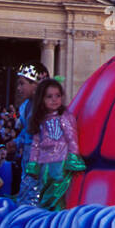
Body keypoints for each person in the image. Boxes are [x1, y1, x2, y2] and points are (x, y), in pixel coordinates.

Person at [21, 78, 83, 211]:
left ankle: (56, 219)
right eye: (49, 97)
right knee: (44, 193)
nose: (54, 100)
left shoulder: (64, 117)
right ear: (41, 99)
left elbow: (71, 137)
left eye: (58, 96)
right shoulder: (40, 120)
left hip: (60, 163)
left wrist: (73, 156)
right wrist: (33, 163)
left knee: (56, 195)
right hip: (45, 164)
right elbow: (36, 144)